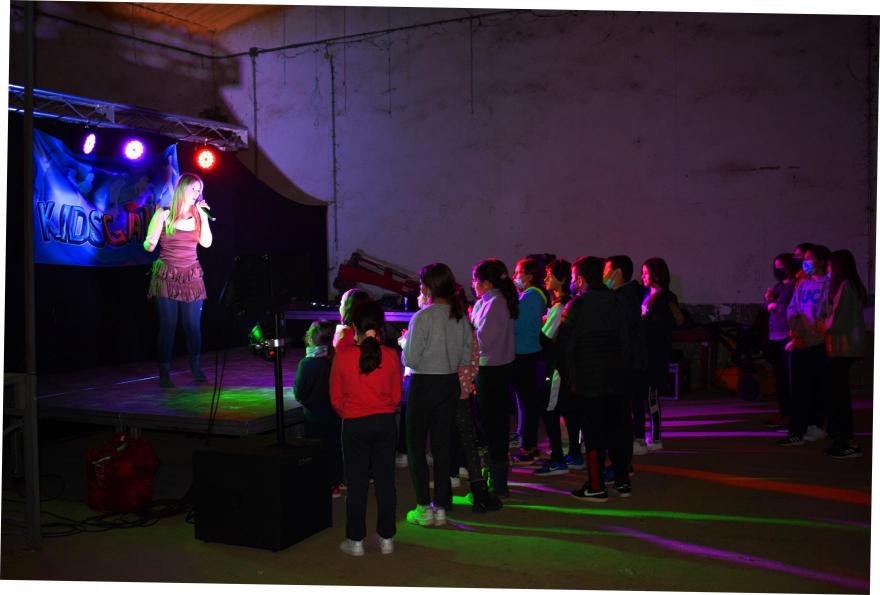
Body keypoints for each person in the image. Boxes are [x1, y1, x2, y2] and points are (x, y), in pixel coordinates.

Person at [402, 263, 475, 526]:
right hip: (448, 383)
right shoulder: (460, 316)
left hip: (423, 384)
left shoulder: (422, 317)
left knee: (416, 447)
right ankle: (442, 505)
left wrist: (404, 345)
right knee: (442, 446)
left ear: (428, 287)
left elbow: (411, 359)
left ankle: (423, 507)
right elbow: (465, 357)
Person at [330, 302, 401, 556]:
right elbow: (396, 396)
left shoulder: (343, 356)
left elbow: (335, 397)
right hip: (385, 423)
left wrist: (350, 412)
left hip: (355, 424)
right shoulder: (390, 355)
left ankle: (356, 539)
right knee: (386, 481)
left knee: (357, 482)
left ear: (353, 326)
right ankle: (387, 537)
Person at [557, 256, 631, 502]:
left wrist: (569, 376)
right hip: (617, 379)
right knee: (618, 430)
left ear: (580, 279)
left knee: (593, 433)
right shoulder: (618, 301)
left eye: (574, 277)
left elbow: (564, 345)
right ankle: (622, 481)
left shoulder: (577, 305)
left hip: (588, 381)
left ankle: (597, 486)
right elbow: (626, 340)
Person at [143, 173, 212, 388]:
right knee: (168, 325)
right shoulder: (163, 214)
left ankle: (196, 367)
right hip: (167, 275)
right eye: (193, 189)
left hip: (191, 275)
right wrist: (150, 242)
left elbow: (207, 243)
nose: (197, 193)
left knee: (192, 325)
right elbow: (149, 244)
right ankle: (164, 371)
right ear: (182, 189)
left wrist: (203, 216)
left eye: (199, 190)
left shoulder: (198, 215)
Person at [471, 259, 518, 499]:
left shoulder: (495, 303)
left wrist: (466, 332)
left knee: (493, 427)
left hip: (492, 371)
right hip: (494, 369)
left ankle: (497, 484)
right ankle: (495, 479)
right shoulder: (490, 301)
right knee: (492, 425)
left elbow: (483, 340)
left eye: (475, 281)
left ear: (486, 283)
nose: (473, 285)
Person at [779, 245, 831, 446]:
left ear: (822, 261)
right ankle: (797, 430)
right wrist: (797, 332)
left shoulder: (829, 284)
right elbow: (793, 309)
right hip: (801, 342)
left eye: (809, 258)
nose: (805, 262)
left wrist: (815, 333)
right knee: (799, 389)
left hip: (819, 343)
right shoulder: (803, 284)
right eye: (804, 259)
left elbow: (827, 314)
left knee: (818, 388)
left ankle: (815, 425)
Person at [532, 259, 579, 476]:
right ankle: (575, 454)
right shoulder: (568, 303)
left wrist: (538, 324)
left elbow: (546, 337)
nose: (545, 279)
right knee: (569, 411)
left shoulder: (560, 306)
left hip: (557, 367)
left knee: (549, 410)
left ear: (562, 279)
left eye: (549, 276)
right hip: (567, 366)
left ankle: (558, 459)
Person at [821, 250, 867, 458]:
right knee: (837, 394)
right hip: (841, 347)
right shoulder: (846, 286)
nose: (828, 270)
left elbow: (837, 319)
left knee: (839, 395)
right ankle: (841, 437)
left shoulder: (846, 286)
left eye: (830, 266)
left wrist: (821, 325)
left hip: (844, 348)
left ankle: (847, 439)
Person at [293, 320, 344, 498]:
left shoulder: (307, 364)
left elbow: (299, 392)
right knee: (335, 447)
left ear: (310, 339)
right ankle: (337, 482)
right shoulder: (336, 360)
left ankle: (325, 485)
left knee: (318, 450)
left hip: (314, 416)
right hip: (335, 413)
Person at [603, 255, 646, 466]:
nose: (603, 275)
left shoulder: (622, 298)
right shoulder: (629, 295)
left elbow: (619, 332)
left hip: (625, 362)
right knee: (625, 411)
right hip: (629, 361)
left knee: (620, 414)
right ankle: (623, 462)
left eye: (606, 270)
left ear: (617, 272)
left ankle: (621, 463)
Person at [639, 257, 684, 451]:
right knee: (641, 395)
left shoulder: (667, 297)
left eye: (645, 273)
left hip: (656, 353)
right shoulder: (644, 294)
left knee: (651, 395)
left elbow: (678, 320)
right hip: (643, 352)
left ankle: (656, 437)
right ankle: (642, 434)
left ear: (656, 275)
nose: (642, 276)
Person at [511, 258, 549, 464]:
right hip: (525, 352)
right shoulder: (529, 295)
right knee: (527, 402)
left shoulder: (532, 296)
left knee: (529, 403)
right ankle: (528, 443)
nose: (515, 276)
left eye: (518, 272)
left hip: (526, 354)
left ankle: (529, 447)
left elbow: (517, 325)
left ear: (529, 276)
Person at [763, 253, 798, 429]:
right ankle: (784, 412)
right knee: (780, 378)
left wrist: (775, 305)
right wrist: (768, 300)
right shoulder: (779, 286)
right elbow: (767, 307)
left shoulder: (795, 285)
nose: (778, 270)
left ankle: (791, 414)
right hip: (774, 334)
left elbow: (790, 307)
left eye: (781, 267)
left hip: (786, 334)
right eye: (776, 267)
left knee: (788, 377)